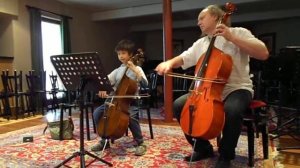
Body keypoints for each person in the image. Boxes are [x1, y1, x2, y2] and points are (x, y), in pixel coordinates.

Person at [155, 4, 269, 168]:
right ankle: (203, 148)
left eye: (201, 18)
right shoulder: (201, 43)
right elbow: (184, 58)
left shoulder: (239, 32)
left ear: (216, 16)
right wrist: (169, 63)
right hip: (207, 90)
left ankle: (226, 155)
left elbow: (263, 53)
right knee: (179, 105)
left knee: (232, 109)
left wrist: (232, 38)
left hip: (237, 88)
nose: (198, 22)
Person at [91, 39, 148, 156]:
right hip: (114, 101)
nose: (121, 56)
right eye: (119, 53)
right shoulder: (118, 70)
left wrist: (134, 69)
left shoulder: (138, 69)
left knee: (131, 117)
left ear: (131, 54)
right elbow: (106, 82)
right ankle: (104, 140)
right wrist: (103, 88)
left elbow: (145, 84)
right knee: (97, 113)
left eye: (123, 53)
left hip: (131, 102)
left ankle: (140, 142)